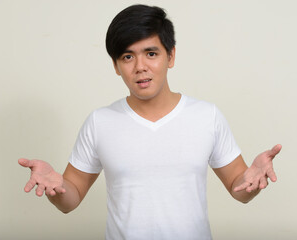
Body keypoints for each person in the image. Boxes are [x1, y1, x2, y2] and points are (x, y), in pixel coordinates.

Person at [18, 4, 282, 240]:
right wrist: (57, 189)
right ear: (116, 65)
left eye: (151, 53)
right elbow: (71, 198)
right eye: (127, 57)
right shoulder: (100, 122)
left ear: (171, 56)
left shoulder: (206, 116)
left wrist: (254, 181)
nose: (140, 67)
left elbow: (239, 187)